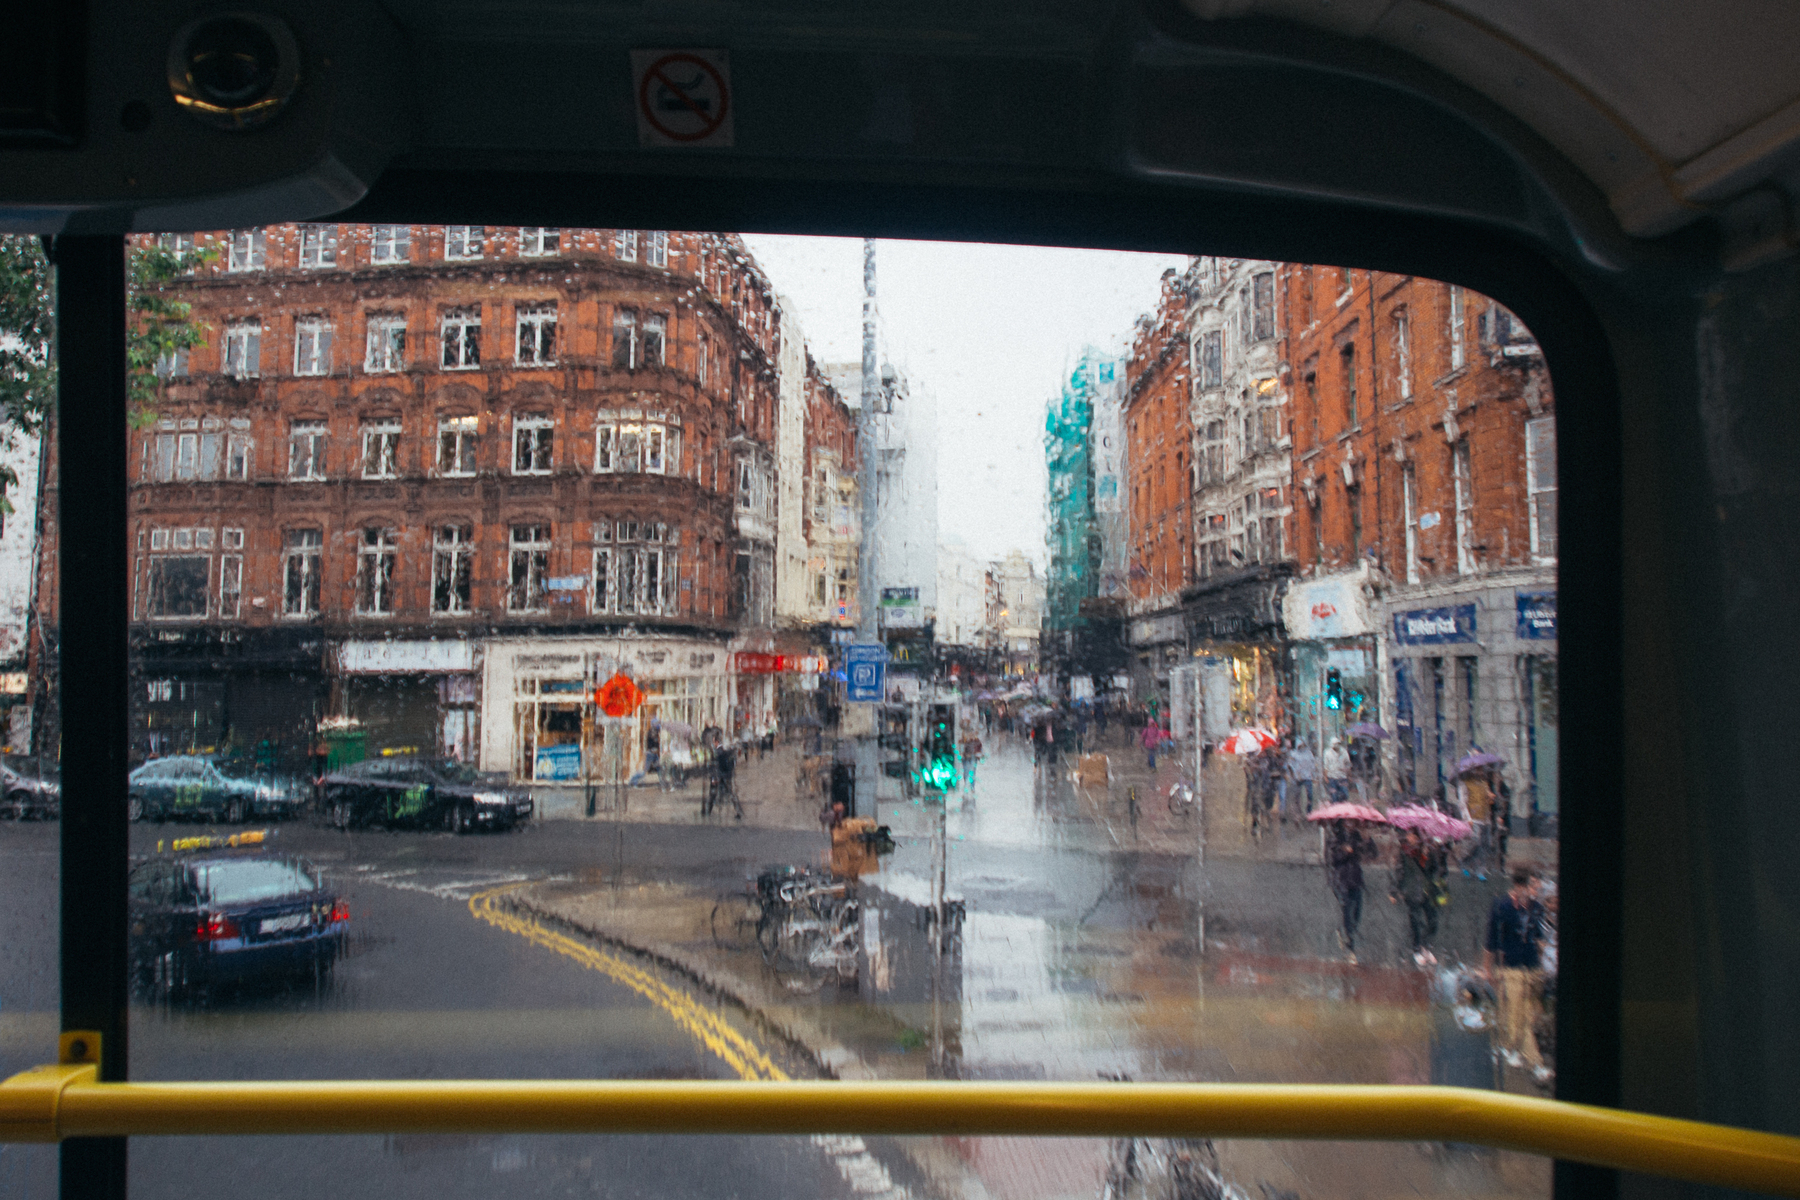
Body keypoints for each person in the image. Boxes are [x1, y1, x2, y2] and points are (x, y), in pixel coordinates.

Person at [1484, 866, 1551, 1083]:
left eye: (1538, 888)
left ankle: (1509, 1048)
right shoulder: (1503, 907)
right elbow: (1491, 941)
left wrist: (1543, 959)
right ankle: (1536, 1064)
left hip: (1532, 969)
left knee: (1527, 1016)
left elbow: (1538, 938)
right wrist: (1488, 970)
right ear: (1520, 886)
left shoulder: (1536, 909)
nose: (1535, 892)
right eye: (1533, 887)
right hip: (1511, 970)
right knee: (1517, 1015)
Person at [1391, 829, 1448, 964]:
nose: (1409, 838)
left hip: (1428, 891)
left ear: (1418, 837)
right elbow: (1399, 871)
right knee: (1415, 921)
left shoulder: (1428, 850)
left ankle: (1426, 946)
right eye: (1408, 835)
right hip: (1412, 891)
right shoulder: (1404, 852)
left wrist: (1427, 857)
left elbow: (1435, 870)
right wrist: (1394, 891)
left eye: (1413, 835)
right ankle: (1416, 949)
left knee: (1433, 920)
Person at [1325, 824, 1373, 957]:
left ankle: (1349, 932)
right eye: (1349, 821)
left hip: (1356, 879)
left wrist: (1368, 841)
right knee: (1347, 910)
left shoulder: (1358, 836)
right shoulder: (1336, 837)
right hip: (1341, 880)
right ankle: (1350, 942)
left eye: (1354, 821)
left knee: (1357, 911)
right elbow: (1330, 859)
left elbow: (1372, 854)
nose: (1351, 824)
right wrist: (1344, 851)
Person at [1287, 740, 1318, 815]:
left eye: (1303, 745)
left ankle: (1309, 811)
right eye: (1300, 745)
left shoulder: (1309, 754)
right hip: (1298, 778)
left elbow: (1313, 765)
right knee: (1297, 796)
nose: (1302, 747)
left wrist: (1314, 775)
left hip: (1308, 777)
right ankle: (1298, 812)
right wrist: (1293, 776)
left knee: (1310, 795)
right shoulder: (1294, 754)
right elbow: (1289, 765)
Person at [1323, 737, 1351, 804]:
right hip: (1332, 777)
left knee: (1344, 795)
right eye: (1335, 744)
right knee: (1334, 796)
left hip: (1342, 777)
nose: (1336, 745)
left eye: (1338, 744)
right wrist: (1325, 777)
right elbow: (1326, 765)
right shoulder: (1327, 753)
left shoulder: (1343, 752)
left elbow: (1348, 763)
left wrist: (1348, 773)